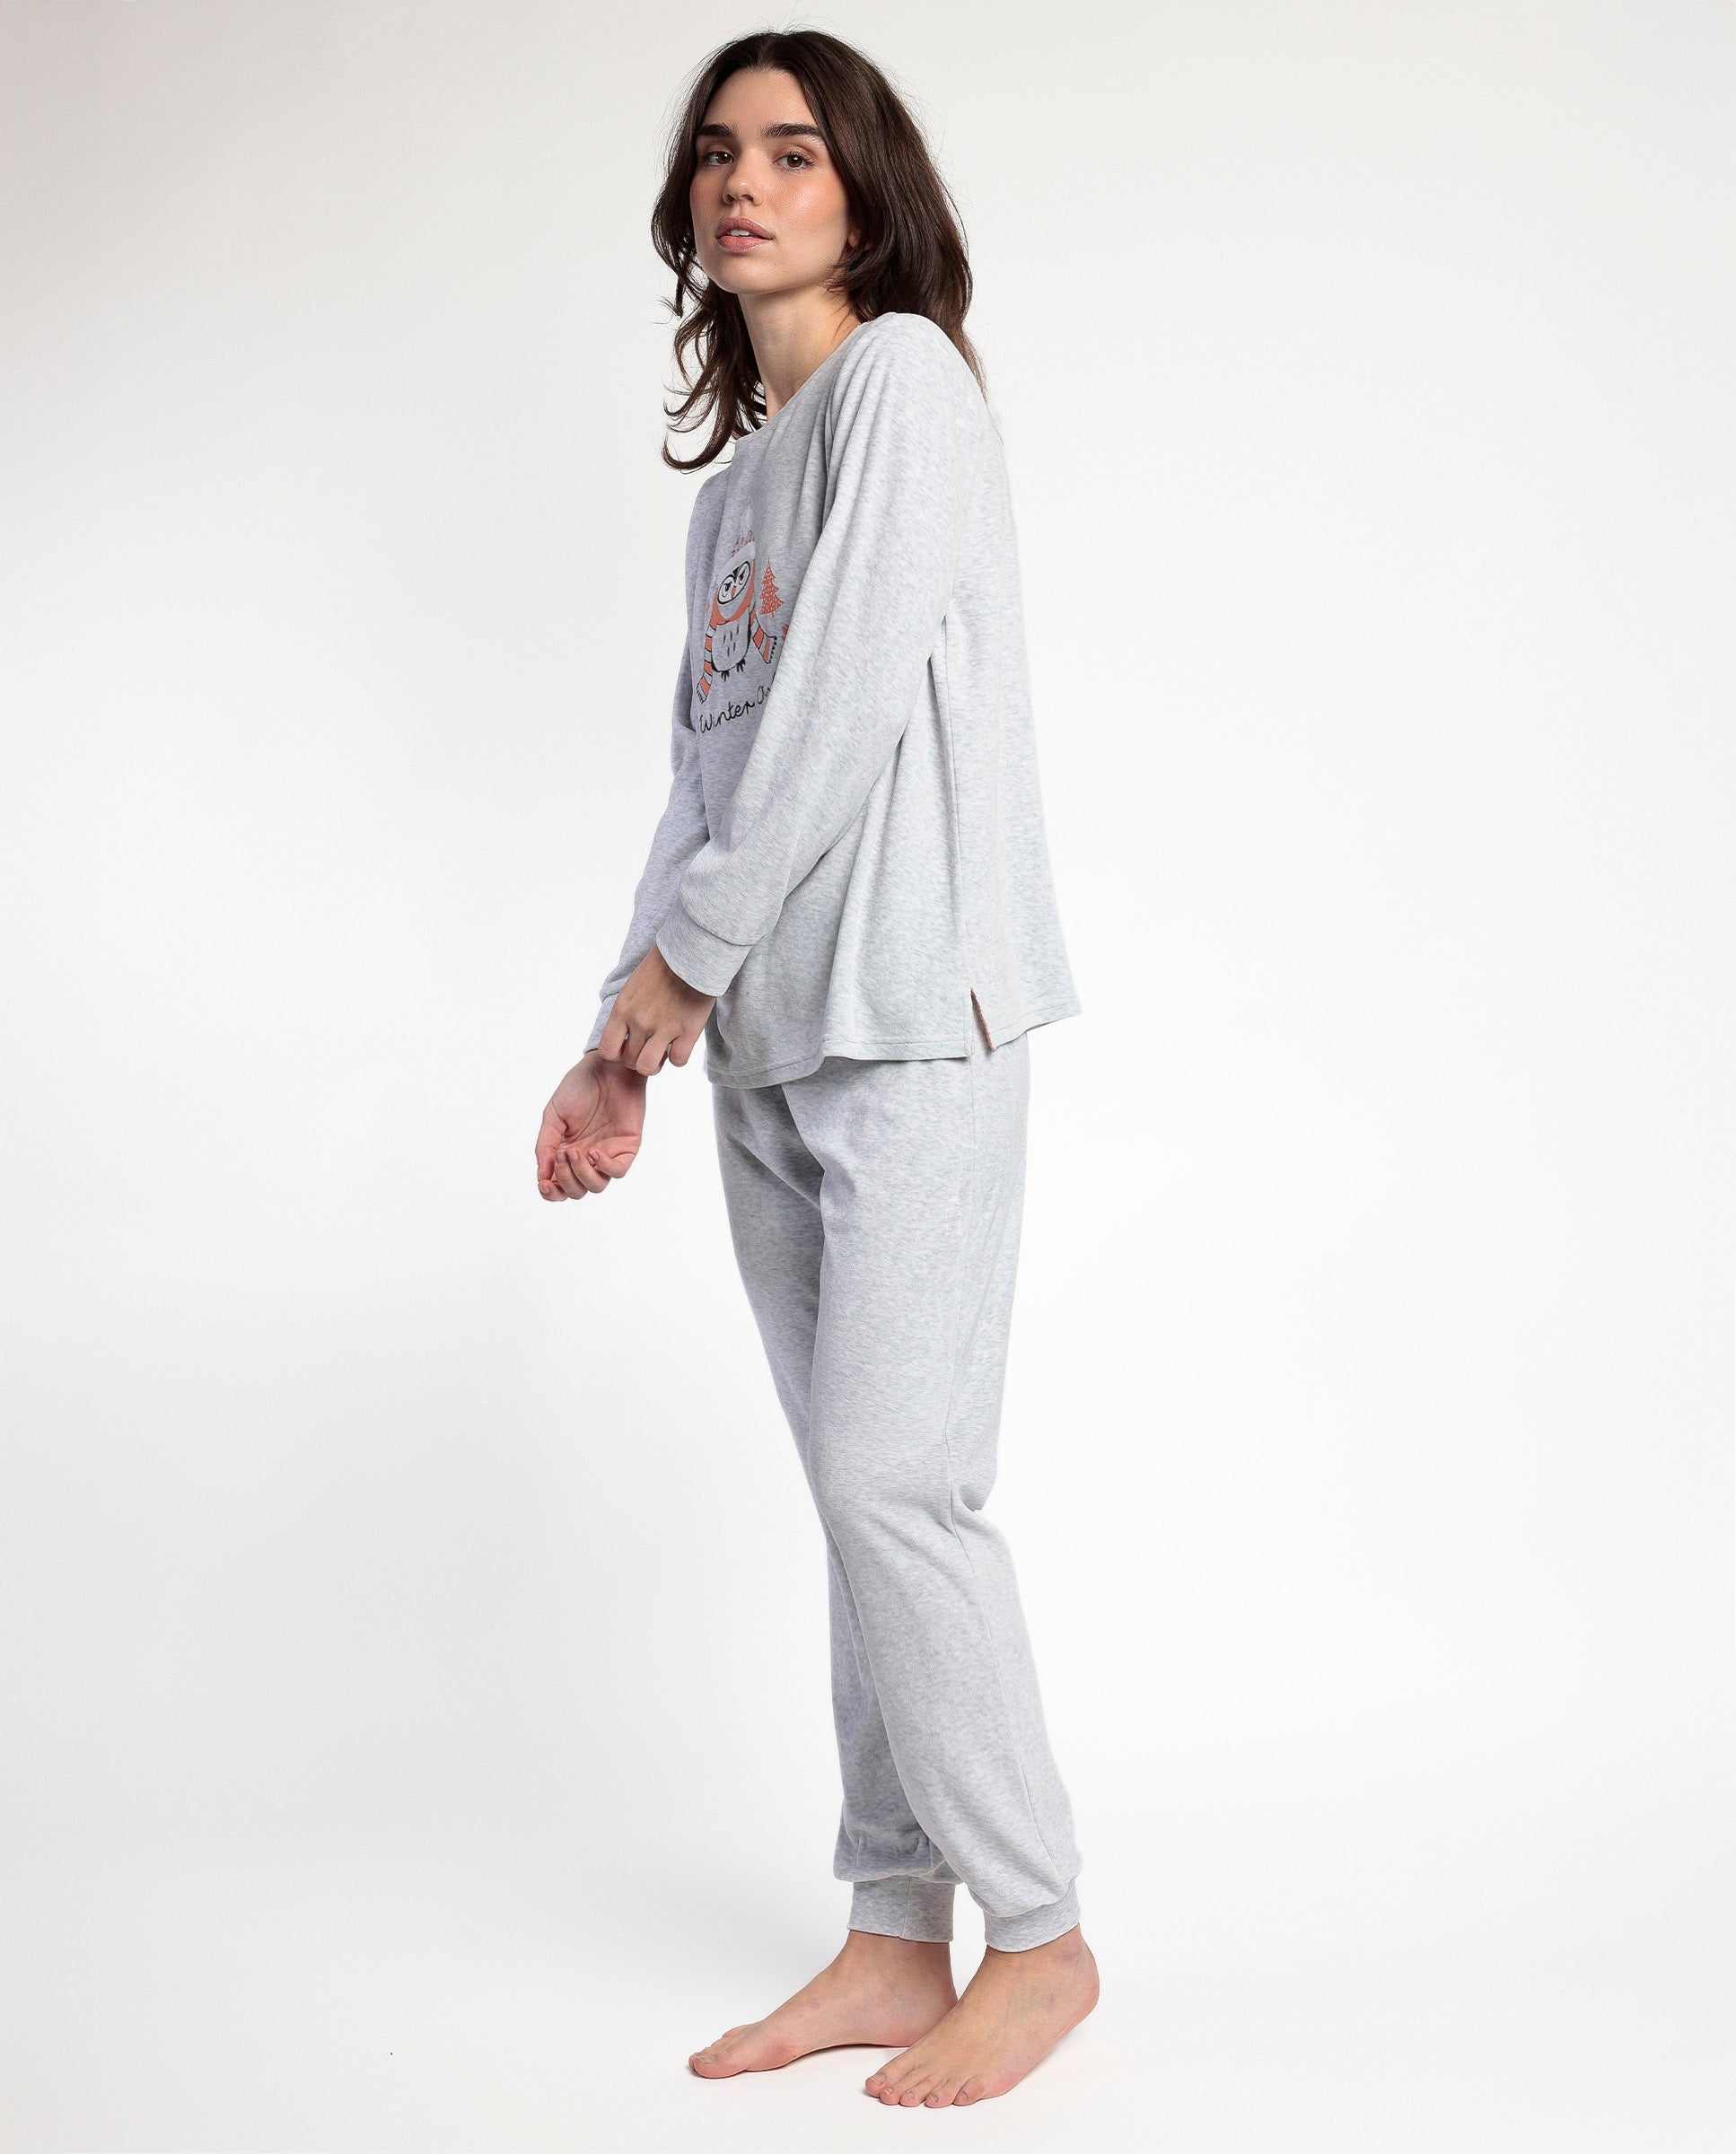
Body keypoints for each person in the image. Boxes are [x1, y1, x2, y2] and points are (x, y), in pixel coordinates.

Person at [534, 29, 1098, 2110]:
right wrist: (622, 1034)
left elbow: (849, 701)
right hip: (761, 1049)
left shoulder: (905, 387)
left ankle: (1037, 1934)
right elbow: (706, 778)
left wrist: (686, 963)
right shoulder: (731, 506)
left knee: (896, 1490)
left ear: (863, 190)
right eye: (715, 154)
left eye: (788, 150)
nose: (741, 183)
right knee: (858, 1511)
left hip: (921, 1013)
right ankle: (888, 1928)